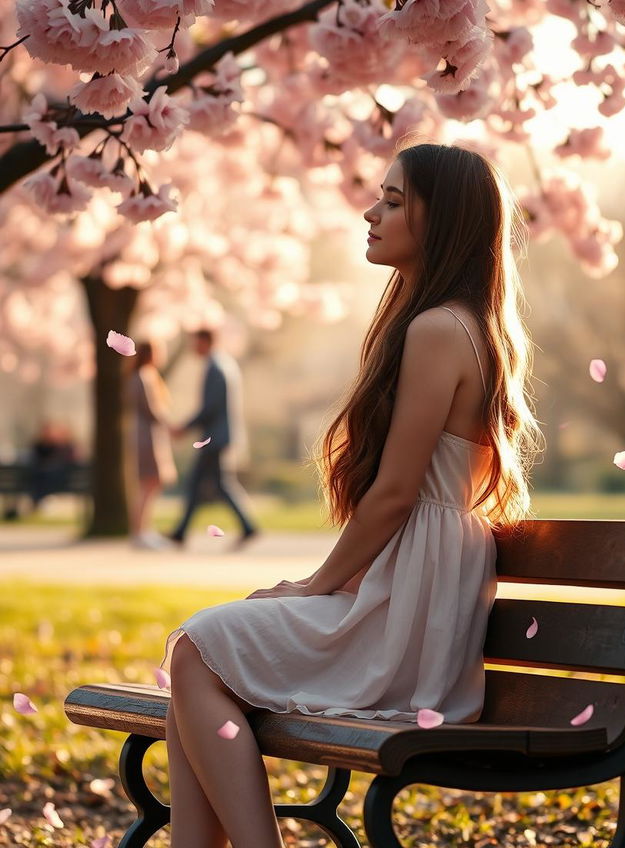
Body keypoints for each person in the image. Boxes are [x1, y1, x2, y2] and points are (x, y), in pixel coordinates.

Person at [160, 142, 543, 848]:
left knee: (199, 651)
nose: (371, 212)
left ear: (446, 222)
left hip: (411, 618)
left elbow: (396, 494)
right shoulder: (461, 325)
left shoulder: (437, 330)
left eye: (395, 202)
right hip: (410, 593)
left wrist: (314, 586)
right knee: (199, 666)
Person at [168, 328, 258, 547]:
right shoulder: (224, 364)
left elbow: (210, 407)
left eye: (195, 342)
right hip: (219, 436)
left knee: (203, 483)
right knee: (212, 483)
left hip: (215, 438)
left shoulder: (216, 367)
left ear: (206, 341)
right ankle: (246, 527)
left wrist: (184, 427)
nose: (192, 347)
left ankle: (182, 532)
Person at [127, 341, 177, 550]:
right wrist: (171, 426)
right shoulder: (143, 376)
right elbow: (152, 409)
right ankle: (140, 531)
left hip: (146, 434)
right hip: (147, 437)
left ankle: (144, 529)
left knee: (149, 484)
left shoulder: (141, 376)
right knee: (149, 483)